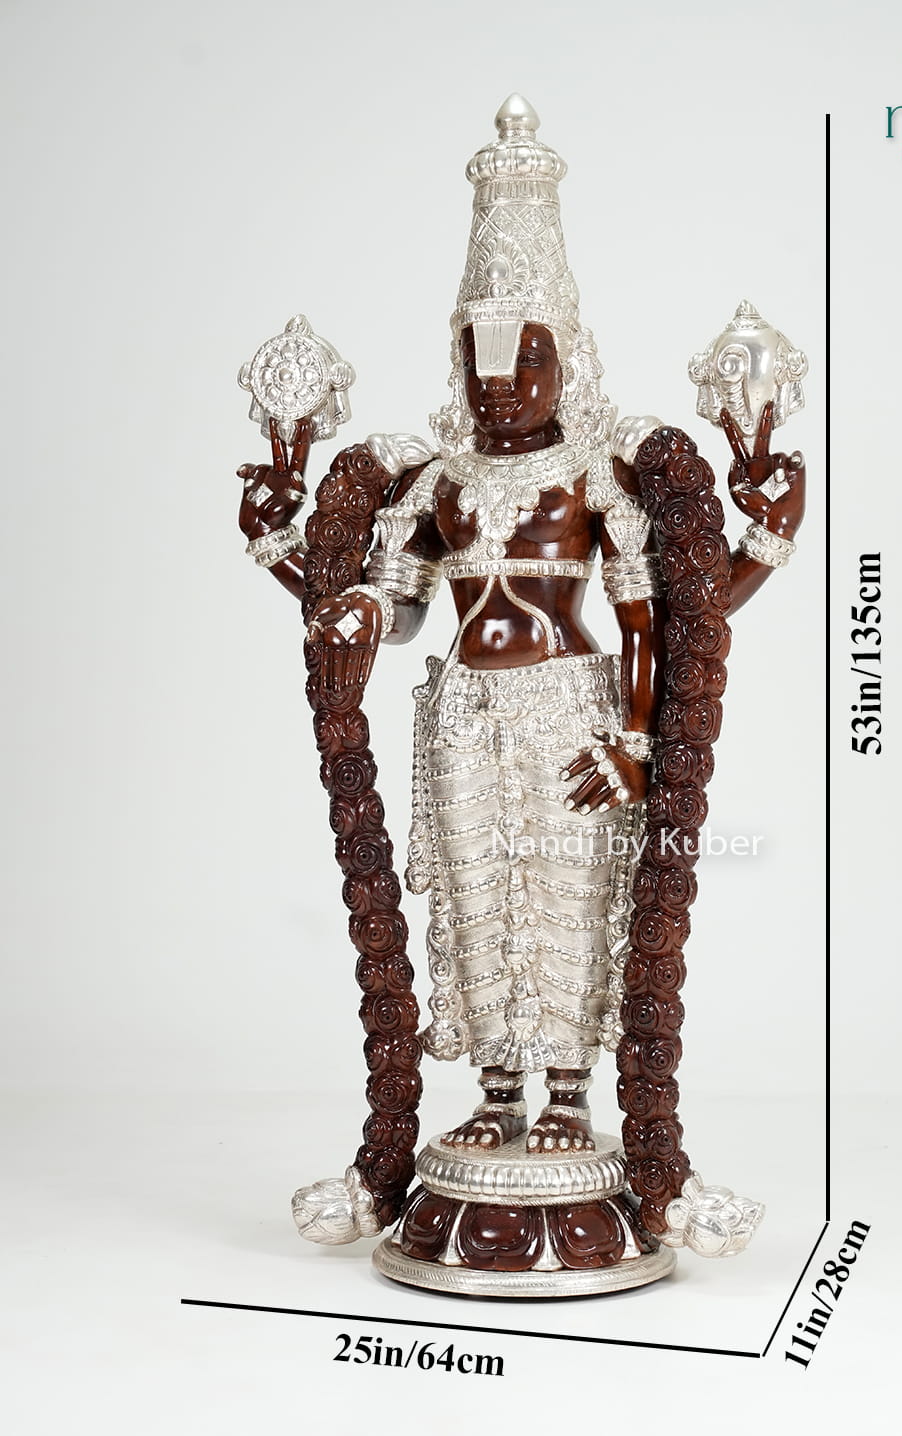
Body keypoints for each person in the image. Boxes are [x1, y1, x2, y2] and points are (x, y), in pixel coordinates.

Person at [236, 96, 804, 1244]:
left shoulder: (596, 472)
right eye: (481, 360)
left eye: (523, 357)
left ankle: (571, 1097)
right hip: (459, 708)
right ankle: (497, 1089)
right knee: (475, 881)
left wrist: (637, 735)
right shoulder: (433, 479)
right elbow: (389, 610)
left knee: (569, 889)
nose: (502, 383)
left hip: (568, 703)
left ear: (563, 358)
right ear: (459, 365)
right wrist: (285, 555)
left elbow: (655, 615)